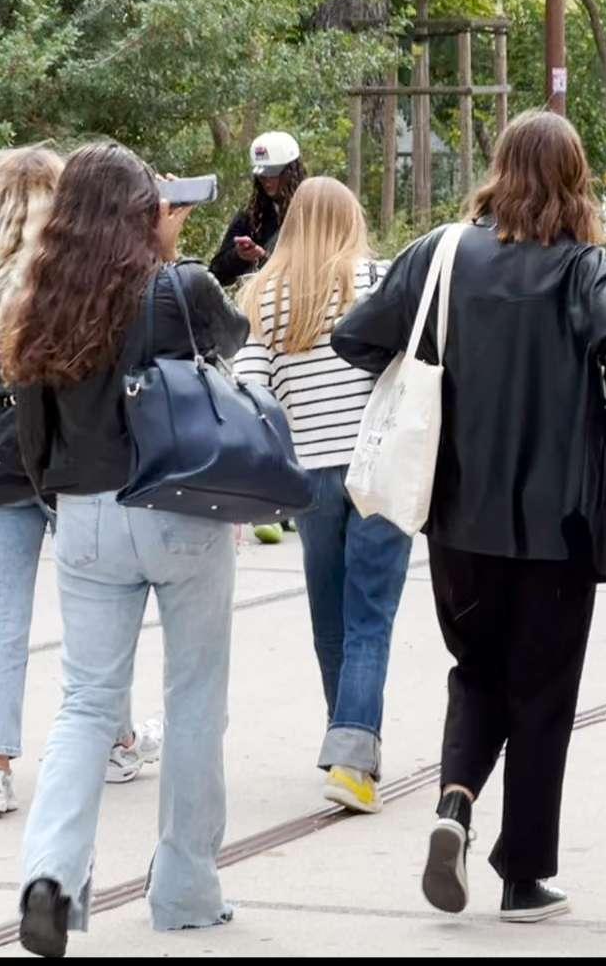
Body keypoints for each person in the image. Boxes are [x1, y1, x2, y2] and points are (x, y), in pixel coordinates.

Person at [334, 111, 606, 925]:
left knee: (476, 669)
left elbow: (354, 337)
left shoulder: (441, 255)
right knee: (542, 692)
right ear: (575, 179)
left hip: (459, 514)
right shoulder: (586, 270)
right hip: (560, 524)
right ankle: (522, 874)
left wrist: (427, 366)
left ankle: (453, 804)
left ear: (498, 169)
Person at [1, 142, 249, 957]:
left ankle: (51, 878)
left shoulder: (37, 294)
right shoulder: (177, 287)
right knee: (194, 697)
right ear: (146, 213)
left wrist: (61, 497)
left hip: (84, 511)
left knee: (85, 704)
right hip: (180, 505)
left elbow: (30, 427)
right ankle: (185, 889)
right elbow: (234, 339)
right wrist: (169, 251)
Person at [0, 145, 163, 819]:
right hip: (69, 466)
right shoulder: (65, 284)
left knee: (0, 621)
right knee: (100, 615)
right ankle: (118, 739)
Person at [233, 177, 411, 813]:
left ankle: (347, 745)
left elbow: (250, 390)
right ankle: (354, 758)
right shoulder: (378, 281)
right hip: (377, 471)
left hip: (309, 479)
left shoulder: (264, 294)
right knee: (370, 616)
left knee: (330, 618)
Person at [209, 131, 305, 290]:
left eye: (273, 174)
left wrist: (264, 258)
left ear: (291, 170)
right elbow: (216, 274)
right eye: (263, 175)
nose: (267, 181)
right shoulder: (251, 214)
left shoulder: (312, 210)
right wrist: (239, 256)